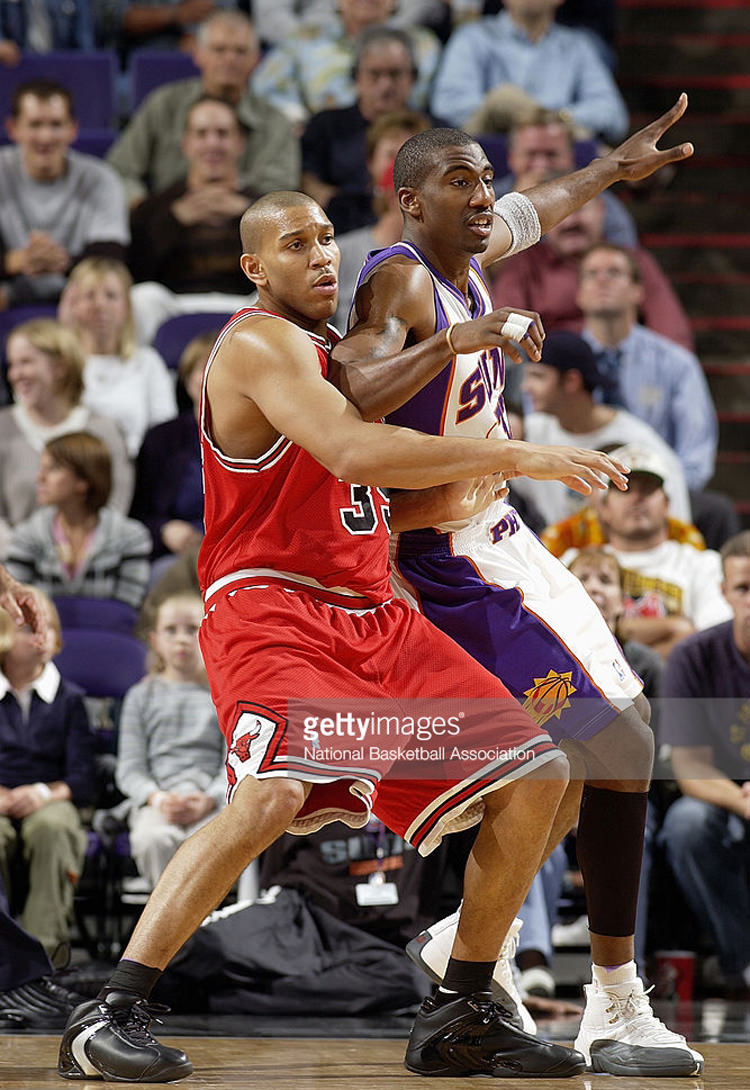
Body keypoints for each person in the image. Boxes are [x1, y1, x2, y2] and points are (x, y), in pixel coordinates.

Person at [57, 188, 636, 1082]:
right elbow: (356, 454)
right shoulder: (258, 341)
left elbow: (488, 239)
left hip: (376, 612)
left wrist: (597, 175)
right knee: (271, 798)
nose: (321, 256)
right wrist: (518, 453)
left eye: (328, 238)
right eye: (295, 245)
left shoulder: (342, 352)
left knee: (548, 772)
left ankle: (463, 1008)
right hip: (275, 608)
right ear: (255, 269)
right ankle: (112, 1011)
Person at [332, 101, 704, 1076]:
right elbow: (348, 397)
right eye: (461, 180)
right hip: (450, 562)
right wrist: (459, 349)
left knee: (616, 740)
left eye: (484, 177)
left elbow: (539, 203)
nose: (483, 194)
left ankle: (471, 940)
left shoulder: (471, 249)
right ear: (406, 198)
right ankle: (611, 1001)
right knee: (610, 746)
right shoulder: (401, 279)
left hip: (508, 538)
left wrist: (613, 172)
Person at [659, 531, 750, 994]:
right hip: (721, 792)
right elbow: (689, 769)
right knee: (687, 824)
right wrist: (742, 799)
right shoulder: (694, 655)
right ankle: (743, 961)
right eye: (744, 588)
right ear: (723, 592)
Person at [106, 11, 299, 207]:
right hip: (167, 223)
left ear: (256, 60)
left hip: (244, 226)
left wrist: (237, 209)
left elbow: (280, 192)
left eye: (240, 51)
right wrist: (149, 213)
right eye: (219, 49)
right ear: (198, 54)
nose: (230, 59)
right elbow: (120, 170)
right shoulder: (164, 104)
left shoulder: (276, 122)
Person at [0, 585, 95, 962]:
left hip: (51, 798)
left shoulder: (70, 699)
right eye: (28, 627)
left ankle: (43, 959)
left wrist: (41, 793)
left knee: (53, 828)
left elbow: (83, 779)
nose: (41, 635)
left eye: (48, 627)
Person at [568, 443, 733, 658]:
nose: (637, 498)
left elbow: (711, 642)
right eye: (624, 488)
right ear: (604, 509)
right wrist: (676, 628)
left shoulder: (703, 564)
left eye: (647, 489)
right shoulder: (573, 561)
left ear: (667, 505)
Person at [578, 242, 718, 491]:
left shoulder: (676, 363)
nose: (602, 280)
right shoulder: (560, 363)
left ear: (638, 292)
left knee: (715, 511)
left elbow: (696, 456)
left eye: (614, 272)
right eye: (591, 274)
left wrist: (663, 496)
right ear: (578, 294)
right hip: (577, 493)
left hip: (659, 490)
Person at [518, 329, 691, 524]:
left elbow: (678, 520)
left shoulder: (639, 443)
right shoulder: (529, 432)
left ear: (571, 381)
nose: (526, 387)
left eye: (538, 376)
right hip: (555, 549)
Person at [115, 592, 224, 890]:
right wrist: (159, 799)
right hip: (159, 802)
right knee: (152, 839)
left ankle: (203, 931)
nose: (182, 640)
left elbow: (233, 764)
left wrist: (210, 798)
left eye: (192, 629)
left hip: (212, 803)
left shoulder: (223, 696)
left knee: (218, 845)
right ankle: (174, 934)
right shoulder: (140, 697)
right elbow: (130, 769)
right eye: (171, 631)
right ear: (154, 640)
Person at [491, 194, 694, 351]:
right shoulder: (523, 264)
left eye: (580, 210)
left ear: (601, 210)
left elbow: (671, 332)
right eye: (561, 215)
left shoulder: (635, 261)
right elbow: (505, 334)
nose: (571, 222)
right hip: (553, 378)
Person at [0, 318, 133, 555]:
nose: (15, 374)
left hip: (95, 561)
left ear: (60, 367)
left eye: (26, 362)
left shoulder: (103, 429)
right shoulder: (3, 427)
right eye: (12, 364)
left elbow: (116, 505)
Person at [0, 80, 128, 306]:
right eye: (35, 125)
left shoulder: (101, 179)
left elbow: (111, 259)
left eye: (56, 125)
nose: (46, 137)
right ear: (13, 129)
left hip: (83, 292)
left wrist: (62, 262)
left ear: (73, 129)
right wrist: (13, 262)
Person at [430, 0, 628, 141]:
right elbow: (449, 104)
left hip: (555, 153)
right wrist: (542, 121)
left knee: (507, 100)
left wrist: (560, 117)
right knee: (502, 98)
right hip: (490, 148)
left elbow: (612, 114)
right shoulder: (472, 37)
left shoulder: (578, 45)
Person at [301, 28, 436, 235]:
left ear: (413, 77)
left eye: (395, 74)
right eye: (375, 74)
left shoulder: (435, 130)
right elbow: (309, 183)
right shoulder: (325, 125)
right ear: (356, 76)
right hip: (340, 227)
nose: (385, 85)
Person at [128, 96, 258, 299]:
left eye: (222, 134)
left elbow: (279, 270)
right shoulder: (156, 207)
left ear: (240, 143)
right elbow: (137, 270)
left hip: (245, 304)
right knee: (143, 297)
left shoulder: (262, 208)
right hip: (175, 304)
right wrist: (173, 221)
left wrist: (246, 218)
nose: (212, 143)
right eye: (201, 134)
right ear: (185, 144)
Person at [5, 432, 152, 609]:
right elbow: (19, 604)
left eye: (52, 469)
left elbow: (127, 608)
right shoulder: (27, 534)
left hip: (109, 633)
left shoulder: (131, 536)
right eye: (41, 468)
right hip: (43, 635)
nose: (40, 478)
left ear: (85, 480)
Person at [58, 257, 177, 457]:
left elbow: (163, 431)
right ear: (73, 304)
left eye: (111, 296)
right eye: (89, 296)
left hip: (135, 469)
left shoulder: (147, 362)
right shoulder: (61, 363)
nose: (100, 305)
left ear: (127, 307)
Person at [251, 0, 441, 126]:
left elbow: (437, 102)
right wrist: (299, 122)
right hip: (323, 140)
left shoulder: (423, 44)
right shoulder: (306, 38)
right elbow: (266, 88)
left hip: (403, 136)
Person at [333, 109, 431, 332]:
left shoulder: (452, 258)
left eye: (412, 158)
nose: (401, 170)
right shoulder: (339, 254)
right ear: (371, 163)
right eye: (391, 156)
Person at [493, 108, 637, 246]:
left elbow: (626, 258)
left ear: (570, 156)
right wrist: (517, 207)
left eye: (551, 154)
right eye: (531, 154)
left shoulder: (600, 203)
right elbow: (479, 265)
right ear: (511, 157)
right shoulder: (487, 200)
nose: (541, 165)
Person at [130, 331, 208, 566]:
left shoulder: (265, 438)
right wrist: (164, 530)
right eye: (202, 367)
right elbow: (138, 514)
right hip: (177, 557)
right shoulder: (162, 439)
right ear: (187, 379)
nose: (212, 375)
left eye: (224, 367)